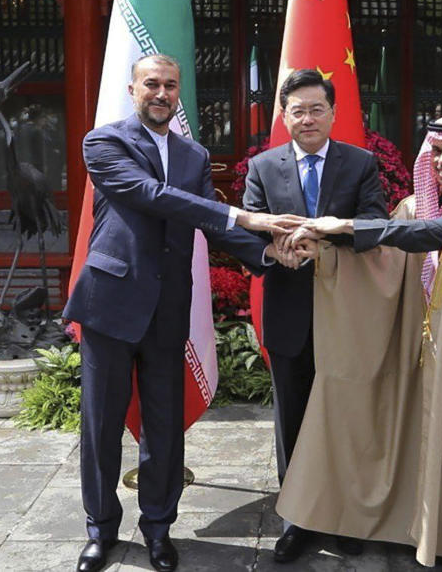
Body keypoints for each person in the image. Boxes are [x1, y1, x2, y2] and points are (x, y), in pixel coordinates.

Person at [63, 54, 302, 572]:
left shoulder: (193, 155)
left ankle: (157, 529)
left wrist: (267, 252)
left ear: (179, 95)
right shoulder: (104, 142)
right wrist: (242, 211)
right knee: (101, 427)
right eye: (152, 83)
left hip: (168, 307)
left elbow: (212, 227)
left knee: (164, 427)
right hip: (110, 302)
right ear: (133, 89)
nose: (162, 93)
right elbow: (151, 196)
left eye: (171, 86)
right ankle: (100, 531)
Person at [278, 113, 442, 571]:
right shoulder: (409, 206)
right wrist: (324, 250)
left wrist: (341, 226)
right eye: (436, 152)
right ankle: (420, 530)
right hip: (417, 350)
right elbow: (382, 259)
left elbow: (437, 233)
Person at [242, 68, 388, 563]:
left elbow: (376, 225)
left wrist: (325, 239)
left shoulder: (360, 163)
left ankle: (344, 515)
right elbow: (247, 231)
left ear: (333, 113)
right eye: (297, 110)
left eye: (316, 108)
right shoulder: (263, 167)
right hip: (289, 312)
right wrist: (271, 253)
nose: (307, 118)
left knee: (344, 417)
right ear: (283, 116)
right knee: (294, 420)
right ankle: (297, 518)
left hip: (346, 313)